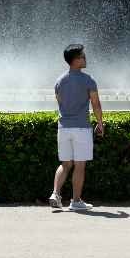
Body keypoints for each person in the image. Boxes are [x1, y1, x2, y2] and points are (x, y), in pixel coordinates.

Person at [48, 44, 104, 211]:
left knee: (65, 164)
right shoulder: (88, 80)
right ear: (75, 60)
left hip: (63, 127)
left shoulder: (60, 81)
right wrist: (100, 123)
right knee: (79, 165)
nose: (85, 58)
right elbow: (96, 104)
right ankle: (76, 201)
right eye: (82, 56)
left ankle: (55, 194)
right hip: (81, 128)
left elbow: (60, 102)